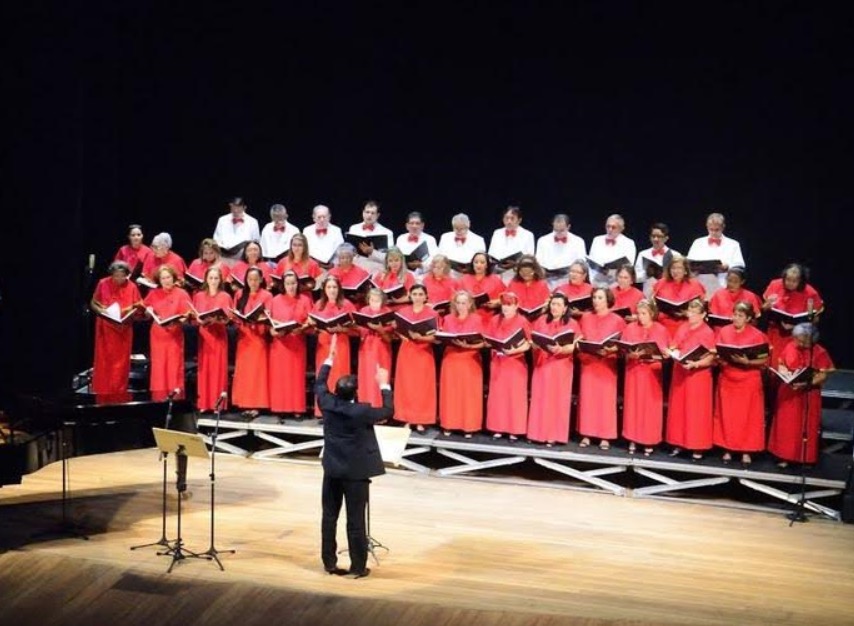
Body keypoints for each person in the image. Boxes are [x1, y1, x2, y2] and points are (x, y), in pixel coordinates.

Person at [317, 334, 394, 579]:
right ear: (354, 394)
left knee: (329, 517)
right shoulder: (360, 411)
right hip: (355, 474)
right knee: (355, 520)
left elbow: (319, 383)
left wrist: (329, 360)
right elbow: (388, 411)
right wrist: (384, 383)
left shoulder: (327, 403)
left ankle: (329, 562)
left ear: (337, 391)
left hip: (332, 469)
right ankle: (358, 566)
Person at [768, 323, 834, 467]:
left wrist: (807, 383)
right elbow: (782, 363)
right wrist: (785, 373)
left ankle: (804, 458)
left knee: (806, 426)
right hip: (789, 391)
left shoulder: (820, 352)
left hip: (808, 394)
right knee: (787, 425)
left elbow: (823, 375)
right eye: (798, 339)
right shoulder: (790, 346)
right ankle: (783, 456)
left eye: (804, 341)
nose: (800, 343)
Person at [713, 301, 769, 466]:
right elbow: (717, 351)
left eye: (740, 316)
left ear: (748, 318)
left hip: (748, 380)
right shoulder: (724, 331)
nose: (736, 318)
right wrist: (721, 360)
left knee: (748, 417)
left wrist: (747, 362)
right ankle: (727, 448)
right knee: (728, 416)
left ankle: (746, 451)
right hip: (728, 378)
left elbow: (764, 359)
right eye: (735, 315)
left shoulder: (757, 335)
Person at [666, 298, 717, 460]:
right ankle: (678, 443)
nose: (691, 315)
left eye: (695, 312)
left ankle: (697, 446)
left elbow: (711, 357)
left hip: (698, 376)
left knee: (696, 411)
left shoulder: (707, 332)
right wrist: (671, 351)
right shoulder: (682, 327)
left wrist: (696, 364)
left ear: (703, 315)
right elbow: (675, 345)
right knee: (679, 409)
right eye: (689, 311)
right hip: (681, 372)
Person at [527, 293, 580, 446]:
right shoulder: (541, 320)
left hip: (561, 367)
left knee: (557, 400)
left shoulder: (572, 323)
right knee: (540, 398)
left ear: (564, 309)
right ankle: (537, 433)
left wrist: (561, 349)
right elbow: (533, 340)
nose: (554, 307)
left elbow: (575, 345)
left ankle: (554, 435)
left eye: (558, 304)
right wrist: (536, 344)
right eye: (553, 304)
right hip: (542, 364)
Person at [577, 287, 626, 450]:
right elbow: (580, 338)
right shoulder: (585, 317)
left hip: (607, 364)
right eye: (594, 297)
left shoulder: (617, 320)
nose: (595, 301)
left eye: (599, 298)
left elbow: (622, 344)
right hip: (589, 362)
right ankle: (586, 433)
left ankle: (605, 436)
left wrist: (611, 349)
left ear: (608, 300)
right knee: (588, 399)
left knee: (605, 400)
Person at [620, 299, 670, 456]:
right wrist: (630, 354)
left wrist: (658, 355)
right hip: (634, 372)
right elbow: (623, 349)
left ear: (652, 314)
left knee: (649, 408)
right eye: (639, 313)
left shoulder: (661, 330)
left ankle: (649, 440)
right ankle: (633, 438)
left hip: (651, 373)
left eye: (644, 314)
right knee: (633, 406)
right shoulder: (630, 328)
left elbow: (665, 354)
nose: (640, 317)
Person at [438, 290, 486, 437]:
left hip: (469, 360)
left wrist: (470, 346)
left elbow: (484, 342)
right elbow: (443, 337)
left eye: (464, 303)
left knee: (469, 394)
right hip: (451, 359)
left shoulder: (477, 319)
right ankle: (449, 424)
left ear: (470, 304)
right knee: (451, 393)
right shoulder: (447, 318)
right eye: (458, 303)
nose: (460, 306)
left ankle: (469, 426)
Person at [90, 261, 142, 395]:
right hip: (105, 327)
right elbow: (93, 302)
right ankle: (101, 392)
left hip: (123, 328)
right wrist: (101, 311)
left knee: (121, 363)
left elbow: (139, 305)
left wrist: (131, 308)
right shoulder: (103, 283)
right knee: (103, 360)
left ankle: (118, 392)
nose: (119, 279)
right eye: (116, 276)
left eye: (122, 276)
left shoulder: (132, 286)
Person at [485, 292, 531, 439]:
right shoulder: (494, 320)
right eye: (504, 304)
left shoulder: (522, 321)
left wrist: (515, 350)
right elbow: (488, 339)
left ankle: (514, 429)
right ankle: (498, 427)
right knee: (498, 396)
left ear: (516, 306)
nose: (506, 308)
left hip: (515, 363)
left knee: (514, 397)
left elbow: (528, 343)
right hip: (498, 362)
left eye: (509, 305)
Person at [310, 275, 359, 416]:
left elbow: (356, 329)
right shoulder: (319, 304)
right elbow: (313, 324)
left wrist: (341, 329)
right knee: (325, 376)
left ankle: (342, 411)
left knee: (340, 377)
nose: (332, 290)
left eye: (335, 287)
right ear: (324, 289)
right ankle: (323, 411)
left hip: (341, 344)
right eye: (329, 287)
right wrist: (314, 325)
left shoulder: (347, 304)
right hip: (323, 344)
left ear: (339, 289)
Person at [393, 284, 439, 431]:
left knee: (422, 387)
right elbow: (397, 329)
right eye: (415, 294)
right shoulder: (402, 311)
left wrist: (421, 337)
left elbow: (437, 338)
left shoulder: (432, 314)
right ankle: (406, 418)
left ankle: (421, 420)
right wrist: (401, 334)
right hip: (407, 351)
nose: (418, 297)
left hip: (424, 352)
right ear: (410, 295)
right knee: (406, 385)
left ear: (426, 297)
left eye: (420, 294)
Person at [762, 263, 824, 369]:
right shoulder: (775, 284)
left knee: (789, 366)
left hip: (797, 337)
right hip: (775, 332)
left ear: (801, 281)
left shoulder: (810, 293)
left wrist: (798, 326)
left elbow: (815, 319)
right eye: (787, 279)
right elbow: (763, 308)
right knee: (772, 365)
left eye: (794, 281)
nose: (790, 283)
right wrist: (767, 305)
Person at [143, 265, 193, 396]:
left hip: (174, 335)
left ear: (173, 278)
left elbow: (187, 314)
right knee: (159, 367)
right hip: (157, 335)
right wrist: (148, 312)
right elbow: (145, 310)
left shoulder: (182, 293)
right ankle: (159, 400)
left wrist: (180, 320)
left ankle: (175, 400)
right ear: (159, 280)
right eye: (163, 278)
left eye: (168, 277)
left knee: (174, 367)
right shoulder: (153, 293)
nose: (166, 280)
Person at [231, 267, 273, 417]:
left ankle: (256, 405)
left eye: (256, 279)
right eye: (250, 279)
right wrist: (238, 320)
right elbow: (235, 316)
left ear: (261, 280)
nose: (253, 282)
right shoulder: (239, 294)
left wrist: (259, 319)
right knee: (244, 372)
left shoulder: (267, 295)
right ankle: (244, 403)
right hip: (244, 337)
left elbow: (269, 316)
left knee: (257, 372)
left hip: (259, 338)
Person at [268, 271, 310, 417]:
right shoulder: (275, 300)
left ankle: (297, 409)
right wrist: (273, 331)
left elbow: (310, 321)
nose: (291, 286)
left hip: (297, 343)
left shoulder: (304, 299)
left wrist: (302, 328)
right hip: (280, 344)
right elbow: (270, 322)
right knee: (280, 377)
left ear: (297, 284)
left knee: (295, 378)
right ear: (283, 285)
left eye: (293, 283)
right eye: (288, 284)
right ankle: (280, 408)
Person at [191, 267, 233, 412]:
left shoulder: (225, 296)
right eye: (211, 278)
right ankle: (204, 403)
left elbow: (228, 319)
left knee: (218, 369)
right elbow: (195, 317)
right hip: (205, 336)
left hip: (219, 335)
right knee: (205, 369)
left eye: (216, 278)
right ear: (206, 279)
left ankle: (218, 404)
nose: (213, 281)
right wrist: (199, 320)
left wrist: (218, 320)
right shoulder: (199, 296)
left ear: (220, 280)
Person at [686, 212, 746, 298]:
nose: (713, 232)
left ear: (723, 227)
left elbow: (740, 265)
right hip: (700, 284)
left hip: (722, 284)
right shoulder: (698, 242)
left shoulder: (733, 244)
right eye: (711, 229)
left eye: (717, 230)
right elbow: (689, 262)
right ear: (707, 226)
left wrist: (728, 266)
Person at [652, 253, 706, 339]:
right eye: (673, 268)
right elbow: (652, 305)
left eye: (679, 268)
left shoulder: (695, 285)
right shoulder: (661, 283)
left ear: (685, 271)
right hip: (664, 324)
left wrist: (688, 313)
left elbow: (703, 308)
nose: (675, 271)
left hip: (687, 323)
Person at [356, 288, 395, 408]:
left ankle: (380, 408)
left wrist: (380, 329)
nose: (374, 302)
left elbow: (389, 337)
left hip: (382, 348)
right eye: (372, 300)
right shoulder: (363, 310)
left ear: (382, 301)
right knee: (366, 377)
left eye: (377, 300)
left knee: (380, 377)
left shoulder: (387, 312)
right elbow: (359, 329)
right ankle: (365, 406)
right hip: (366, 348)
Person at [535, 213, 587, 290]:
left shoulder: (578, 241)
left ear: (568, 227)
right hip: (547, 281)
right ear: (553, 225)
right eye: (555, 230)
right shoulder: (543, 240)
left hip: (568, 281)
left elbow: (581, 263)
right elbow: (538, 261)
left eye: (562, 230)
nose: (558, 233)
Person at [487, 206, 536, 284]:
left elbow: (530, 257)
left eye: (512, 218)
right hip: (498, 273)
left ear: (519, 220)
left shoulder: (528, 235)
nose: (509, 221)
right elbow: (491, 253)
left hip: (517, 273)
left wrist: (516, 263)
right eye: (506, 218)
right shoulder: (497, 233)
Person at [587, 214, 637, 287]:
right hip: (597, 281)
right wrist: (593, 281)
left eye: (613, 227)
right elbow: (591, 264)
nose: (610, 229)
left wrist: (615, 283)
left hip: (616, 283)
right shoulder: (597, 240)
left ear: (621, 228)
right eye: (608, 226)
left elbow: (628, 267)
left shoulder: (629, 243)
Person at [347, 200, 394, 275]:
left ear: (377, 215)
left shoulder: (387, 232)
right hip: (356, 270)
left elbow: (390, 258)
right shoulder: (354, 228)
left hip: (376, 271)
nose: (369, 215)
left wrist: (372, 252)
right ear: (363, 213)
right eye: (367, 212)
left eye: (372, 213)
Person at [458, 251, 504, 325]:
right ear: (472, 264)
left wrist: (497, 302)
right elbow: (456, 299)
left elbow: (505, 298)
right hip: (468, 318)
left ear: (487, 265)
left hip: (490, 318)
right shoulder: (464, 279)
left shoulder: (495, 279)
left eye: (482, 262)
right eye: (476, 262)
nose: (478, 265)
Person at [634, 222, 677, 298]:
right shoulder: (643, 254)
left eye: (659, 236)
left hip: (668, 294)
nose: (655, 239)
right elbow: (636, 277)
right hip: (648, 294)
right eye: (653, 236)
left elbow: (679, 276)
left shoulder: (674, 255)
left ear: (666, 238)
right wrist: (647, 274)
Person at [436, 213, 487, 278]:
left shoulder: (478, 240)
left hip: (469, 277)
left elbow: (481, 261)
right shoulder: (445, 237)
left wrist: (470, 268)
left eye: (461, 229)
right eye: (456, 228)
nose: (458, 231)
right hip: (448, 276)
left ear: (468, 226)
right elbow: (439, 257)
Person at [213, 196, 261, 264]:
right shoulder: (222, 220)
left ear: (244, 208)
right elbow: (216, 239)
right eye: (233, 207)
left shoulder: (252, 222)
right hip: (224, 257)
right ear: (230, 206)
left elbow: (256, 241)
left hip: (243, 258)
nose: (235, 211)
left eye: (238, 208)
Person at [506, 255, 550, 321]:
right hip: (517, 319)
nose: (526, 275)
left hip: (538, 319)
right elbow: (507, 300)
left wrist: (545, 308)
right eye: (523, 272)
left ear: (535, 271)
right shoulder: (513, 283)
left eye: (529, 272)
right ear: (518, 271)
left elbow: (547, 301)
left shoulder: (542, 284)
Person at [395, 211, 438, 277]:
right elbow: (395, 256)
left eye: (417, 223)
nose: (414, 226)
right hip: (403, 275)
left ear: (422, 225)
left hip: (423, 276)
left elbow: (435, 259)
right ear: (407, 226)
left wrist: (421, 265)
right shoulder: (401, 238)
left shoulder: (430, 239)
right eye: (411, 223)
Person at [303, 204, 345, 269]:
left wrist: (333, 265)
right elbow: (304, 250)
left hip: (332, 266)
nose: (322, 220)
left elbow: (340, 250)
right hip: (312, 266)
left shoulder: (336, 230)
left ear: (329, 217)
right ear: (314, 217)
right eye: (319, 217)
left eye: (324, 217)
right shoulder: (307, 230)